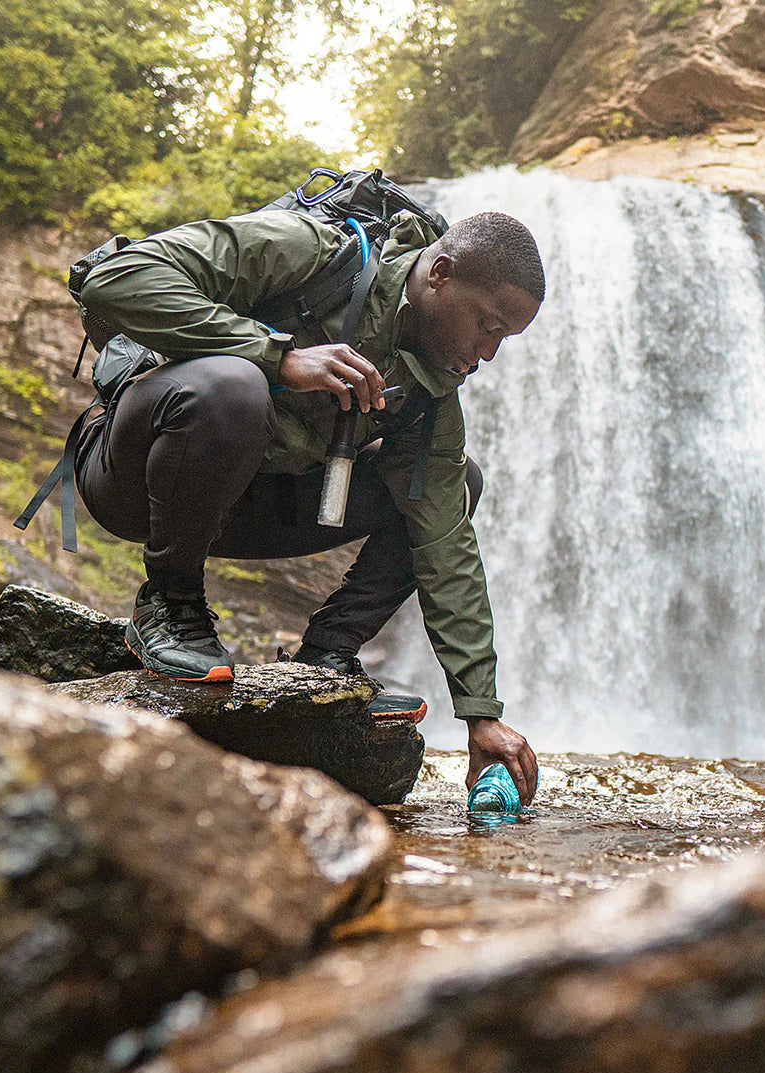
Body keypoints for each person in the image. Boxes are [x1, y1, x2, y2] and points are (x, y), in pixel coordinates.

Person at [76, 203, 543, 804]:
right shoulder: (311, 251)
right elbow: (113, 279)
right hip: (133, 480)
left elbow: (445, 544)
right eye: (488, 324)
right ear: (441, 273)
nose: (488, 352)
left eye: (504, 338)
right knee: (233, 386)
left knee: (457, 485)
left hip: (246, 508)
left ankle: (327, 657)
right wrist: (276, 357)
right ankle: (169, 606)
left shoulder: (426, 393)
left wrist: (480, 713)